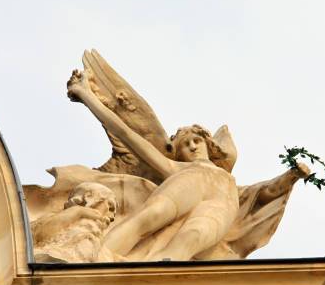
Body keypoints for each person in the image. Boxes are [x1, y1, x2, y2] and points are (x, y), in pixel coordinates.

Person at [67, 69, 309, 261]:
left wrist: (292, 175)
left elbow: (266, 192)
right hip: (186, 185)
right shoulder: (178, 169)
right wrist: (87, 95)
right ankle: (92, 257)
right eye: (185, 144)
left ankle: (155, 284)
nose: (192, 146)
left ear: (209, 145)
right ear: (178, 153)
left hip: (220, 205)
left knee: (192, 238)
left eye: (197, 141)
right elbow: (127, 134)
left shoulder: (231, 184)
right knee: (150, 216)